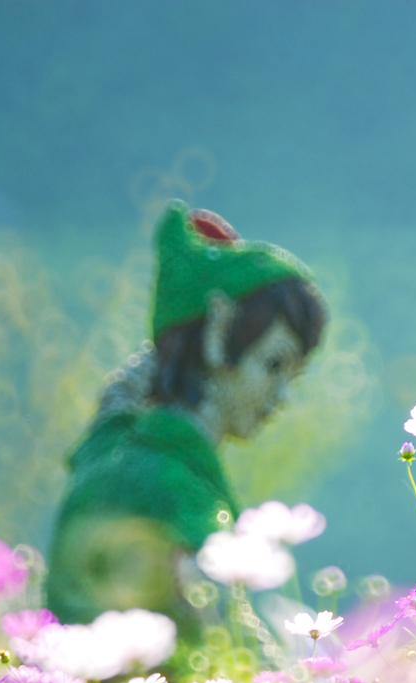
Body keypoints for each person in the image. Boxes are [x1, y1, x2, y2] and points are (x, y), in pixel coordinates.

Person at [45, 200, 326, 634]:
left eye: (295, 376)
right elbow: (214, 633)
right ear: (218, 333)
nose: (284, 396)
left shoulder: (131, 455)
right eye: (273, 365)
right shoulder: (164, 483)